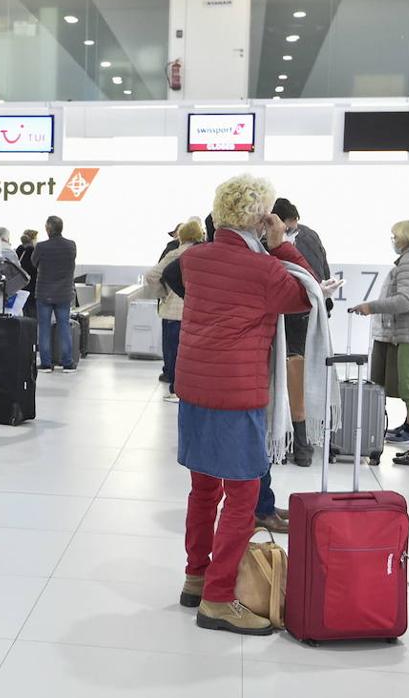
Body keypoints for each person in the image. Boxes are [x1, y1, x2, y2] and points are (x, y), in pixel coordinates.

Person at [162, 175, 318, 635]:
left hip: (194, 388)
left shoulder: (195, 260)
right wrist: (281, 243)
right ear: (260, 216)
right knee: (243, 497)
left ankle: (196, 577)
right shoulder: (265, 270)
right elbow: (305, 295)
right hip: (237, 393)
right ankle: (217, 598)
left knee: (204, 490)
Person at [351, 218, 409, 467]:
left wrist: (371, 307)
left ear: (407, 237)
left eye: (396, 236)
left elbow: (405, 300)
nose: (394, 240)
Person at [271, 198, 331, 467]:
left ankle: (294, 443)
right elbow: (321, 274)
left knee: (290, 378)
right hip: (307, 316)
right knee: (300, 379)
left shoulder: (276, 241)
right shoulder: (311, 235)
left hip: (289, 318)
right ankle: (301, 445)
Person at [145, 219, 203, 401]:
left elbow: (151, 276)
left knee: (173, 353)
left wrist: (162, 293)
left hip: (173, 312)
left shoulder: (176, 253)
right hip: (196, 312)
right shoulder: (203, 253)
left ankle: (175, 390)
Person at [33, 216, 78, 373]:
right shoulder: (71, 245)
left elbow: (34, 263)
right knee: (64, 327)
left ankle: (46, 363)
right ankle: (67, 363)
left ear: (48, 229)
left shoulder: (41, 247)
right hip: (64, 293)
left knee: (44, 328)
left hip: (44, 292)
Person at [16, 229, 39, 318]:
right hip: (33, 287)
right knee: (34, 315)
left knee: (25, 313)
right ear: (33, 239)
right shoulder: (34, 251)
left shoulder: (19, 250)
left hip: (21, 286)